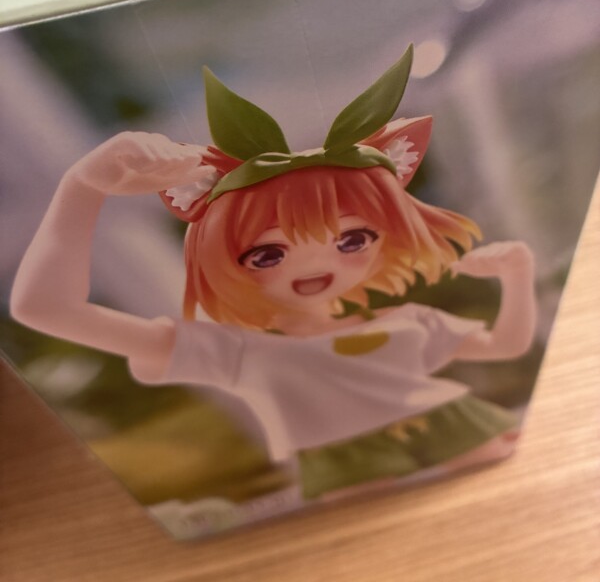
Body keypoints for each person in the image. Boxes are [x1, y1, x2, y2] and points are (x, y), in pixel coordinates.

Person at [11, 47, 536, 499]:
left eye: (351, 241)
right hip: (341, 461)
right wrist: (82, 188)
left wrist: (517, 277)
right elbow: (45, 309)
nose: (315, 264)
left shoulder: (409, 322)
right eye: (267, 254)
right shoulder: (235, 350)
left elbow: (506, 346)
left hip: (452, 424)